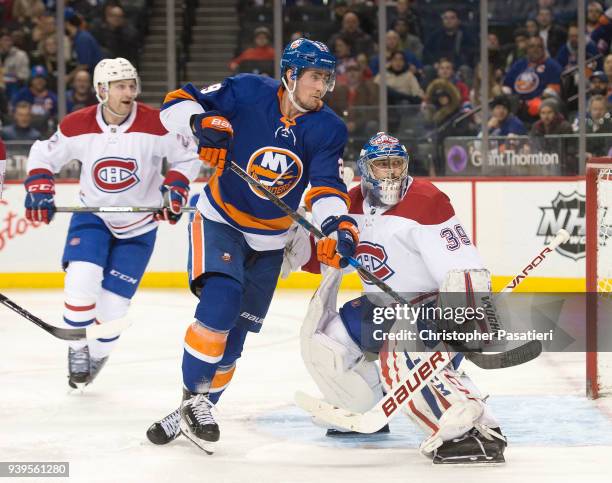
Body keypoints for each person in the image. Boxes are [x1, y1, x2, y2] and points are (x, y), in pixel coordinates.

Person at [154, 38, 355, 453]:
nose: (323, 86)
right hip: (220, 219)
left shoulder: (328, 127)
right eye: (316, 77)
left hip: (272, 240)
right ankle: (195, 399)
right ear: (292, 75)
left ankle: (193, 408)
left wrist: (336, 225)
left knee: (235, 341)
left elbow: (327, 186)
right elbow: (175, 102)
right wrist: (201, 123)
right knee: (221, 302)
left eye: (327, 79)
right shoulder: (247, 91)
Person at [281, 132, 507, 464]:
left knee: (403, 353)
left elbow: (464, 267)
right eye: (382, 165)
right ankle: (365, 406)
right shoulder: (347, 203)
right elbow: (317, 260)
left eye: (396, 165)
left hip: (428, 309)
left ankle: (473, 430)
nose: (391, 173)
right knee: (325, 343)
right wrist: (299, 223)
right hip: (377, 307)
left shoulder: (427, 200)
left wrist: (463, 317)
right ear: (365, 169)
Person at [23, 58, 201, 390]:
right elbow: (42, 154)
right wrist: (39, 186)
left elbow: (188, 155)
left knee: (114, 308)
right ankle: (76, 349)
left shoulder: (157, 123)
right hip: (93, 215)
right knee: (81, 277)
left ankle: (97, 354)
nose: (129, 92)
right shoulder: (78, 124)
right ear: (101, 90)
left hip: (140, 224)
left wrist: (175, 186)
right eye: (121, 86)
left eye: (132, 85)